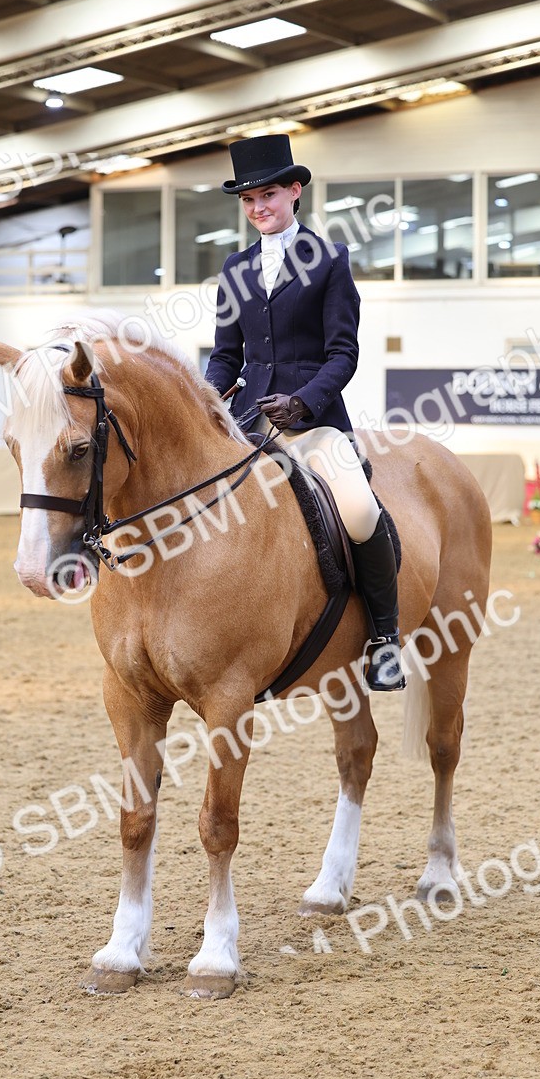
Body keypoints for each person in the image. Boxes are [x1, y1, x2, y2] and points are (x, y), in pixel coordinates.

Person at [204, 133, 405, 691]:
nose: (257, 208)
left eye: (267, 195)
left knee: (361, 511)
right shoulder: (235, 268)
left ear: (295, 191)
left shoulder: (330, 261)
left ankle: (384, 641)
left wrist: (303, 402)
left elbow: (344, 352)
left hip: (313, 423)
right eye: (247, 201)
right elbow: (225, 356)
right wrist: (205, 401)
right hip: (247, 424)